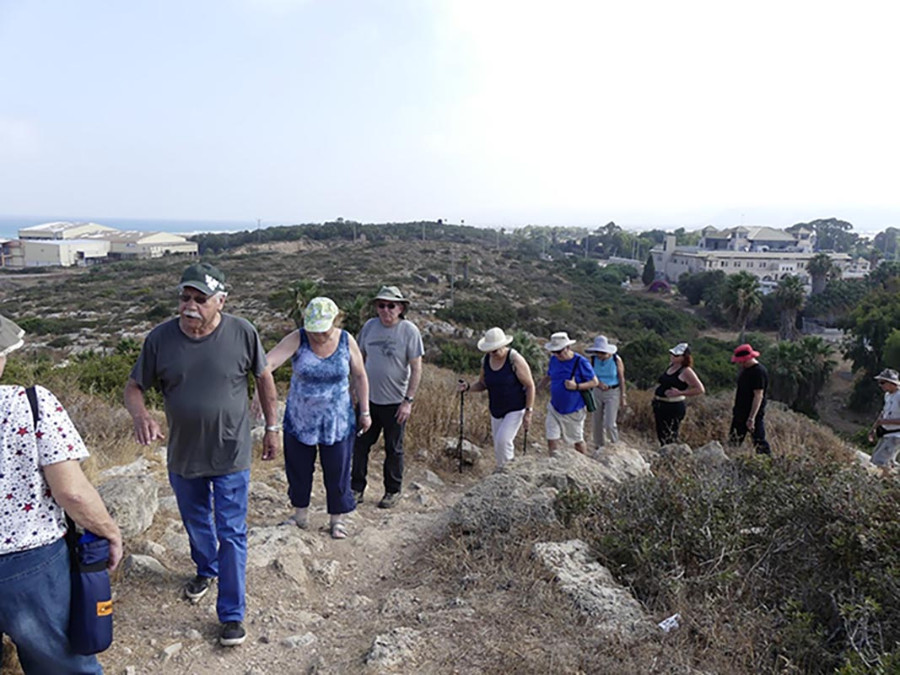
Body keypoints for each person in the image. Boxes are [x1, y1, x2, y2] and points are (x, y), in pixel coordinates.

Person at [124, 262, 279, 647]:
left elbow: (263, 378)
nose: (189, 306)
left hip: (231, 452)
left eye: (200, 299)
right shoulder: (160, 340)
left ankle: (231, 614)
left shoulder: (242, 332)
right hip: (184, 454)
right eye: (185, 297)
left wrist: (272, 427)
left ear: (220, 301)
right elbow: (134, 387)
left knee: (231, 531)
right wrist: (141, 415)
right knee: (196, 524)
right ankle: (206, 569)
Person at [0, 314, 123, 674]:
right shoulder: (29, 404)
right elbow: (72, 491)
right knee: (63, 665)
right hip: (28, 564)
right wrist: (110, 532)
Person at [258, 297, 371, 538]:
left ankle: (337, 520)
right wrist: (260, 394)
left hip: (337, 421)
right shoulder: (298, 337)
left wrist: (365, 411)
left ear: (335, 320)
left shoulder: (345, 340)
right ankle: (300, 516)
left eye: (323, 328)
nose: (318, 334)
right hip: (301, 419)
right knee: (298, 468)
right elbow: (268, 364)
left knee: (338, 469)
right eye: (314, 328)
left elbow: (360, 376)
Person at [351, 286, 424, 509]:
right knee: (360, 445)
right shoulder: (369, 327)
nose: (385, 310)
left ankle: (392, 491)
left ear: (401, 307)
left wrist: (408, 401)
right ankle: (356, 489)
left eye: (391, 305)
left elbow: (417, 368)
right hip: (368, 400)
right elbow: (358, 358)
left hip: (395, 402)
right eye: (381, 305)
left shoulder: (409, 331)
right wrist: (353, 389)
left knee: (394, 449)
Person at [458, 327, 536, 469]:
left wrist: (528, 412)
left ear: (503, 345)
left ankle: (509, 476)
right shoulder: (486, 361)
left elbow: (530, 386)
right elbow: (483, 384)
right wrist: (468, 387)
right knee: (498, 446)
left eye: (495, 350)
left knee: (504, 441)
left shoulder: (515, 359)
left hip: (516, 407)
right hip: (496, 409)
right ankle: (502, 472)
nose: (492, 353)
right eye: (489, 350)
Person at [538, 332, 598, 456]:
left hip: (573, 409)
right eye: (554, 351)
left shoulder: (580, 362)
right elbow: (549, 375)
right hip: (555, 407)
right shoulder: (554, 360)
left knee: (576, 439)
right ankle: (554, 461)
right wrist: (538, 388)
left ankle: (584, 463)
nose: (557, 354)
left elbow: (594, 382)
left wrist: (576, 386)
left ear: (568, 347)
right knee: (551, 437)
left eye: (559, 351)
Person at [652, 342, 705, 445]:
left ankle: (670, 456)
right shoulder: (670, 366)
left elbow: (700, 389)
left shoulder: (686, 371)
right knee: (661, 433)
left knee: (670, 434)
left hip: (673, 406)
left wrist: (681, 393)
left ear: (683, 357)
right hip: (660, 404)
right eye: (672, 354)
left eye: (676, 355)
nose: (672, 357)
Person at [728, 343, 771, 455]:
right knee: (734, 441)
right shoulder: (744, 370)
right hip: (740, 412)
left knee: (759, 442)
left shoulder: (758, 372)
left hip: (753, 414)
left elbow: (758, 395)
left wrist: (751, 417)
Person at [585, 335, 627, 450]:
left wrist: (623, 396)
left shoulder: (616, 359)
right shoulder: (593, 360)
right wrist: (598, 384)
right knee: (596, 421)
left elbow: (621, 378)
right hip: (597, 391)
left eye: (602, 353)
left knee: (609, 423)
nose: (600, 355)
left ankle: (615, 444)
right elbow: (590, 376)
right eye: (598, 352)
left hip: (613, 391)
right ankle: (599, 446)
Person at [867, 369, 900, 477]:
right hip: (887, 433)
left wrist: (885, 421)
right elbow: (883, 413)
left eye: (882, 382)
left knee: (879, 461)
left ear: (892, 383)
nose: (880, 385)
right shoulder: (888, 395)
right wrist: (873, 429)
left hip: (896, 435)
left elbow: (885, 419)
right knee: (880, 460)